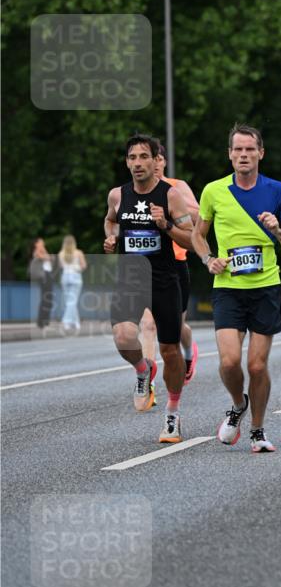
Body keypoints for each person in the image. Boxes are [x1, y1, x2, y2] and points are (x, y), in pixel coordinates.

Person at [191, 124, 281, 453]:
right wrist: (208, 259)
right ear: (229, 154)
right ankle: (237, 403)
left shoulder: (278, 191)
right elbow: (198, 235)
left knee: (256, 365)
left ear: (260, 153)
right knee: (228, 363)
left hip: (265, 287)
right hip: (227, 287)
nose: (243, 155)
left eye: (249, 150)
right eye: (237, 150)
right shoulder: (214, 191)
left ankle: (257, 429)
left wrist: (276, 230)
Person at [104, 133, 194, 443]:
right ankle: (143, 370)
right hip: (130, 278)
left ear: (156, 161)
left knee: (170, 351)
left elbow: (191, 238)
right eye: (132, 157)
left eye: (144, 157)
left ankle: (172, 414)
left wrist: (165, 226)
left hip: (164, 280)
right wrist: (112, 237)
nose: (138, 163)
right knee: (123, 336)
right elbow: (111, 220)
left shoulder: (171, 196)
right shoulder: (118, 194)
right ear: (126, 162)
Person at [139, 143, 200, 404]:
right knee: (148, 324)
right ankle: (149, 382)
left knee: (175, 325)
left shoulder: (177, 187)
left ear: (160, 161)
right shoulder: (136, 191)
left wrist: (173, 210)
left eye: (158, 159)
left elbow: (198, 217)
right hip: (146, 265)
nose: (155, 164)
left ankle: (189, 351)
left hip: (175, 264)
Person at [57, 235, 87, 334]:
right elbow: (83, 266)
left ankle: (75, 322)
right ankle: (66, 321)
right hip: (75, 277)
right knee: (72, 301)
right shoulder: (78, 253)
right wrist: (76, 267)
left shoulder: (61, 254)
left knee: (69, 301)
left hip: (65, 277)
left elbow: (61, 266)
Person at [29, 238, 55, 330]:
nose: (43, 243)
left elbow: (51, 259)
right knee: (45, 299)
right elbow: (46, 257)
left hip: (48, 275)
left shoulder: (43, 251)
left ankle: (46, 322)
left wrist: (45, 252)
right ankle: (41, 323)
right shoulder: (36, 252)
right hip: (43, 276)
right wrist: (46, 254)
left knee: (49, 299)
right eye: (41, 242)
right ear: (36, 244)